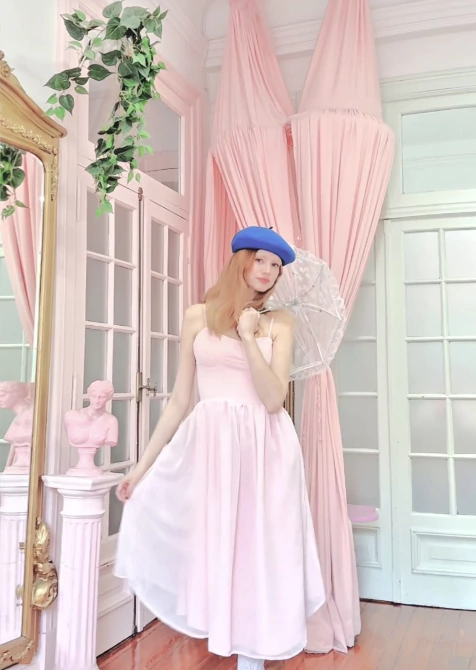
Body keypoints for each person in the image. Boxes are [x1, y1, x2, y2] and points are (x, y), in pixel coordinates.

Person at [115, 227, 325, 670]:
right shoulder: (198, 316)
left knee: (260, 547)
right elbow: (179, 401)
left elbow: (273, 399)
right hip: (213, 447)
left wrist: (249, 337)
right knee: (218, 542)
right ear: (241, 261)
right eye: (261, 260)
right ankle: (232, 637)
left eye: (276, 266)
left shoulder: (279, 323)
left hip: (266, 448)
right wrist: (140, 468)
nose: (268, 271)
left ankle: (253, 658)